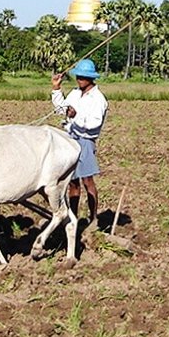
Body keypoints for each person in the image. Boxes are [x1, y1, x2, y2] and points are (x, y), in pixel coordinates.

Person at [51, 58, 108, 227]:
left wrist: (76, 116)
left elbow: (94, 124)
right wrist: (56, 88)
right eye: (78, 76)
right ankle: (72, 218)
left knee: (87, 180)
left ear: (91, 78)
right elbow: (60, 109)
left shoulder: (98, 99)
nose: (79, 79)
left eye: (83, 77)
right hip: (70, 140)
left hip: (85, 140)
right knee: (72, 182)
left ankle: (93, 219)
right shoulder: (75, 93)